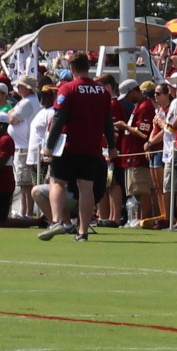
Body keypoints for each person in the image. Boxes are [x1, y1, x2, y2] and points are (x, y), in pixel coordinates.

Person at [37, 53, 116, 242]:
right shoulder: (102, 91)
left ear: (71, 69)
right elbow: (108, 122)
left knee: (57, 182)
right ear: (88, 67)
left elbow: (59, 118)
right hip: (92, 147)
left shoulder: (67, 89)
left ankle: (57, 221)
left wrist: (49, 146)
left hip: (69, 145)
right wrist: (112, 146)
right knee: (86, 188)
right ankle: (83, 232)